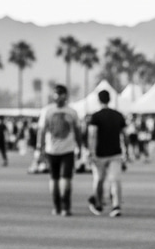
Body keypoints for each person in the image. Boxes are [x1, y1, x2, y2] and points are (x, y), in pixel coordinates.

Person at [37, 84, 81, 215]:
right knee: (65, 179)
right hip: (67, 150)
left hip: (51, 150)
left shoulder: (47, 111)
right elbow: (78, 132)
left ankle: (56, 207)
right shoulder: (72, 112)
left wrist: (39, 148)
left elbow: (42, 132)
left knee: (54, 179)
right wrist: (81, 147)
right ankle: (65, 207)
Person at [87, 89, 127, 217]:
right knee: (115, 180)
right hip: (115, 152)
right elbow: (125, 135)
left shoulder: (96, 116)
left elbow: (92, 135)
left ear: (99, 100)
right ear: (109, 99)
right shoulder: (118, 115)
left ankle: (98, 204)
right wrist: (126, 151)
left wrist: (91, 152)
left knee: (98, 180)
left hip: (99, 153)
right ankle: (116, 206)